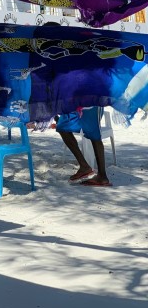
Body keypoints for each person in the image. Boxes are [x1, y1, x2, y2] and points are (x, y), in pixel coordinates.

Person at [43, 21, 111, 187]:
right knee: (63, 128)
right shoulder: (61, 50)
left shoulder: (74, 48)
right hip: (77, 100)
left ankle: (102, 175)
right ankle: (85, 165)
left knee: (94, 135)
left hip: (91, 98)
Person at [55, 107, 111, 186]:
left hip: (92, 103)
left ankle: (102, 176)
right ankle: (84, 166)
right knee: (62, 126)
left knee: (93, 132)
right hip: (76, 103)